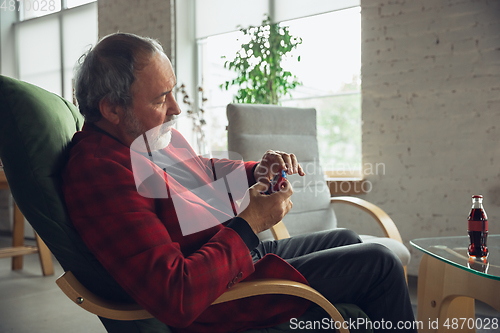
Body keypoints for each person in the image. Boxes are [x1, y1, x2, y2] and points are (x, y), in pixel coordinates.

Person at [62, 32, 417, 333]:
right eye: (160, 98)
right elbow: (177, 294)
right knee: (380, 262)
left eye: (173, 92)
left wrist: (257, 170)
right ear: (111, 109)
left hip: (228, 260)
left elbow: (203, 168)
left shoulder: (141, 142)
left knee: (347, 238)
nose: (176, 109)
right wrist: (252, 223)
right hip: (214, 294)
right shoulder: (100, 172)